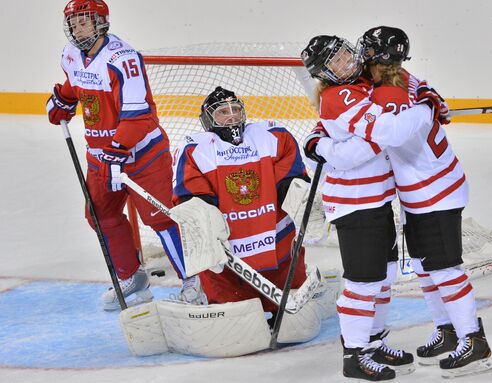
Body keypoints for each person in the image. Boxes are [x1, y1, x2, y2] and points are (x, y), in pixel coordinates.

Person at [300, 35, 445, 381]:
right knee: (362, 284)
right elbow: (366, 146)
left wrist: (425, 96)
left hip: (378, 199)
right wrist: (419, 114)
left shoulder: (361, 80)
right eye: (335, 61)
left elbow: (398, 87)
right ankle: (354, 355)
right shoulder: (339, 94)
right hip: (354, 204)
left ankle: (374, 341)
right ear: (325, 72)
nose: (347, 61)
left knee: (383, 279)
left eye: (346, 53)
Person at [353, 26, 492, 377]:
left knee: (445, 269)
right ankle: (447, 331)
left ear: (376, 57)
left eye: (365, 51)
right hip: (421, 190)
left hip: (436, 191)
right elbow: (421, 89)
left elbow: (373, 134)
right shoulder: (401, 76)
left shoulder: (389, 92)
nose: (359, 57)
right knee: (423, 266)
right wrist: (432, 98)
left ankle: (473, 341)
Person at [46, 0, 202, 310]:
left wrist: (118, 150)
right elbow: (76, 85)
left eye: (84, 21)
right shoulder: (70, 55)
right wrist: (62, 100)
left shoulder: (124, 58)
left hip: (142, 154)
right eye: (73, 22)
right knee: (99, 215)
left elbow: (139, 115)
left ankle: (194, 282)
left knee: (158, 217)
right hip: (100, 156)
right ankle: (133, 279)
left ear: (101, 22)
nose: (78, 28)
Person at [172, 86, 314, 317]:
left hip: (276, 243)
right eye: (222, 112)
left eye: (236, 109)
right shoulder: (194, 149)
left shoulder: (272, 136)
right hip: (229, 254)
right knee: (233, 310)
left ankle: (282, 305)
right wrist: (203, 220)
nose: (232, 116)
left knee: (288, 302)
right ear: (208, 120)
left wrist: (302, 197)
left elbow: (289, 178)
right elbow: (191, 194)